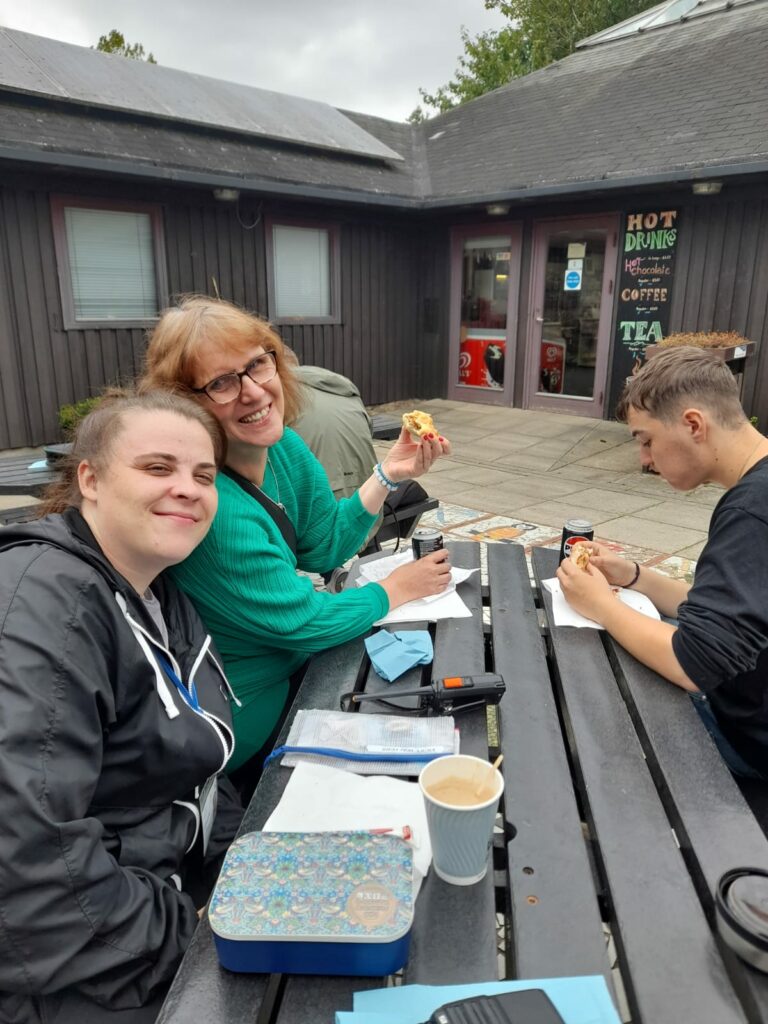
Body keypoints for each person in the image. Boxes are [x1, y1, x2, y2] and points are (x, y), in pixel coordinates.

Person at [140, 295, 452, 790]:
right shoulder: (211, 508)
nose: (252, 391)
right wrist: (395, 590)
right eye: (221, 382)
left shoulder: (282, 445)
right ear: (185, 403)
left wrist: (387, 474)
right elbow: (303, 624)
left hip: (297, 670)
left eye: (256, 365)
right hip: (239, 717)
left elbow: (324, 546)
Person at [0, 391, 242, 1024]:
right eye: (158, 468)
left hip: (161, 891)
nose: (187, 489)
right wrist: (189, 936)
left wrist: (245, 859)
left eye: (204, 475)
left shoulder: (157, 590)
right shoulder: (48, 606)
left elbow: (194, 762)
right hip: (84, 971)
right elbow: (25, 878)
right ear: (91, 480)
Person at [557, 345, 768, 781]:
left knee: (591, 701)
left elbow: (694, 663)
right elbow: (726, 616)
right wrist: (634, 576)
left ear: (693, 424)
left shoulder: (752, 513)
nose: (645, 459)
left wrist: (601, 604)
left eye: (646, 440)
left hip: (745, 739)